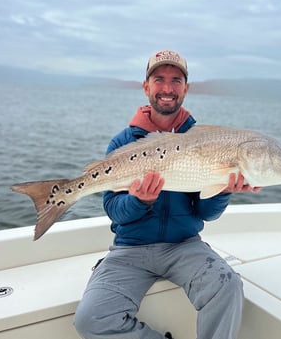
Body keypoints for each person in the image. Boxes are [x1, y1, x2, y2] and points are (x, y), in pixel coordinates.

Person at [74, 50, 260, 339]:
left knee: (228, 285)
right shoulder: (123, 142)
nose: (167, 88)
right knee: (90, 319)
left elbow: (206, 213)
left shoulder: (205, 140)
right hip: (129, 250)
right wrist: (139, 201)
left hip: (185, 246)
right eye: (159, 78)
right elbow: (113, 209)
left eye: (176, 80)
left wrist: (222, 190)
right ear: (146, 86)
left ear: (185, 89)